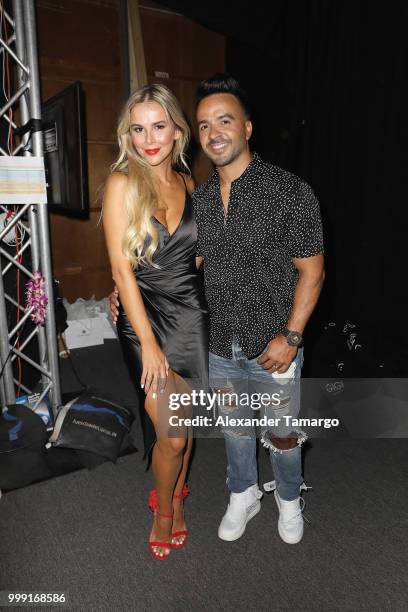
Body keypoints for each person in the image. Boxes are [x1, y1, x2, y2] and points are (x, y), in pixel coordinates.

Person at [111, 74, 325, 545]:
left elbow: (314, 272)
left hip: (274, 342)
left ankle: (290, 499)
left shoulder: (290, 191)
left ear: (247, 128)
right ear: (198, 134)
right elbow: (183, 261)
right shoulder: (200, 195)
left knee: (283, 432)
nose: (215, 132)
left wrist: (290, 337)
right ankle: (243, 492)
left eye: (225, 121)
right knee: (233, 428)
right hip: (218, 337)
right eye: (205, 124)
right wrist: (126, 290)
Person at [102, 84, 208, 560]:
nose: (149, 138)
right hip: (145, 322)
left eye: (158, 126)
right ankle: (163, 510)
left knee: (188, 427)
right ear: (129, 134)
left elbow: (197, 260)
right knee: (174, 431)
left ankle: (180, 496)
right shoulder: (122, 183)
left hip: (191, 315)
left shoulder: (189, 185)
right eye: (138, 128)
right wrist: (147, 343)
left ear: (176, 130)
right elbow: (122, 268)